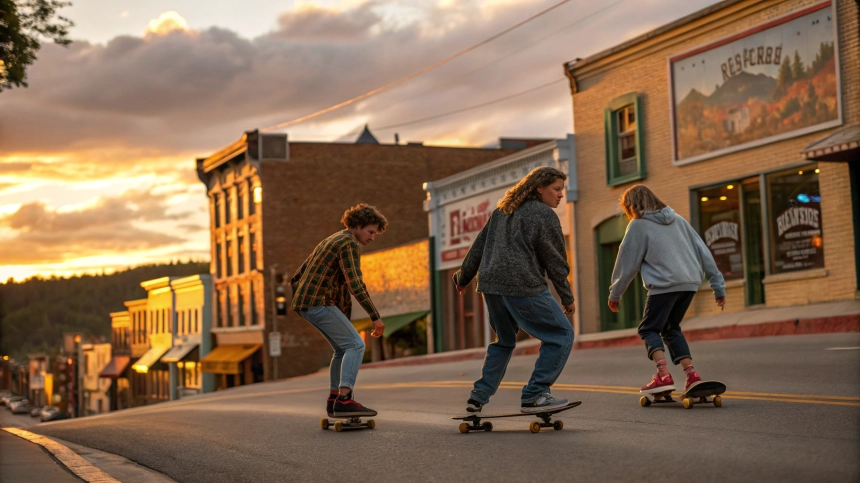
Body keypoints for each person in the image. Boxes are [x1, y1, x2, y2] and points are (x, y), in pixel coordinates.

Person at [454, 166, 576, 414]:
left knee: (505, 341)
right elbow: (555, 261)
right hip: (522, 284)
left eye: (561, 190)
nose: (560, 195)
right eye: (556, 189)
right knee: (561, 334)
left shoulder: (502, 211)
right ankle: (535, 394)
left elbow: (478, 247)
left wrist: (462, 278)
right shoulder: (543, 214)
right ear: (539, 188)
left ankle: (478, 396)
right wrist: (567, 296)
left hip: (491, 285)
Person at [607, 185, 726, 395]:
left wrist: (616, 293)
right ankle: (692, 375)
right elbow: (703, 251)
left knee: (648, 329)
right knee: (671, 328)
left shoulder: (638, 225)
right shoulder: (679, 220)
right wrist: (718, 285)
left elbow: (627, 262)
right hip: (689, 284)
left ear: (631, 205)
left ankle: (663, 376)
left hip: (664, 285)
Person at [290, 203, 387, 418]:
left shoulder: (332, 239)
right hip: (319, 303)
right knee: (356, 344)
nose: (372, 238)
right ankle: (345, 399)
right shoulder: (348, 243)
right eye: (370, 232)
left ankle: (333, 400)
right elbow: (355, 283)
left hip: (307, 303)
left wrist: (302, 298)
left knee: (342, 349)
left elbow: (299, 273)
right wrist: (375, 317)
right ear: (358, 225)